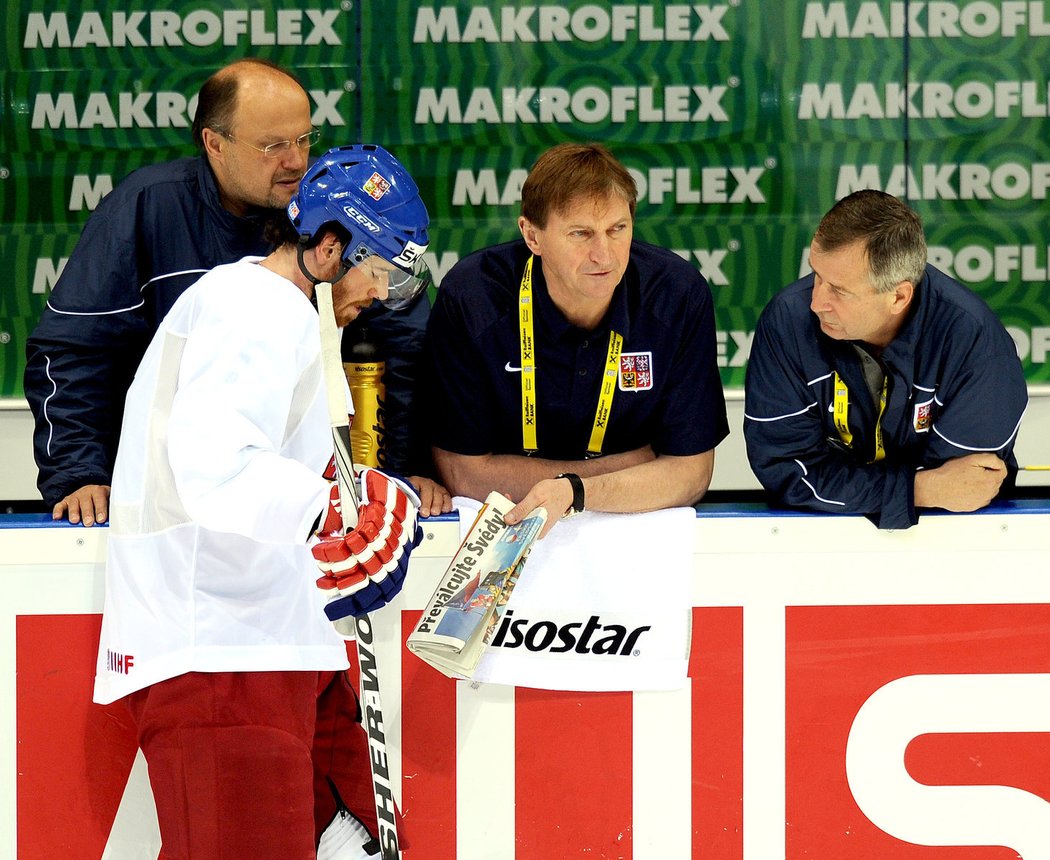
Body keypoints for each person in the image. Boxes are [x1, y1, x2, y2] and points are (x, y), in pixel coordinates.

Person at [92, 144, 430, 859]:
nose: (383, 295)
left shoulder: (281, 314)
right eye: (384, 270)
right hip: (220, 655)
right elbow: (213, 464)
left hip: (265, 646)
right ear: (331, 245)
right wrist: (334, 508)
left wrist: (343, 501)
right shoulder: (253, 309)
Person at [23, 58, 449, 527]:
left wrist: (407, 470)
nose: (296, 161)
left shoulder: (337, 205)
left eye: (305, 139)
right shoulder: (148, 208)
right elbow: (71, 352)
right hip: (166, 505)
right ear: (214, 143)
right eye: (273, 145)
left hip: (306, 505)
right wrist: (80, 472)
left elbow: (405, 349)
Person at [421, 142, 729, 533]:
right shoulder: (473, 296)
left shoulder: (676, 294)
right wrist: (627, 468)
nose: (605, 255)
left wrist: (575, 492)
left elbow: (691, 474)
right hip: (502, 530)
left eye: (617, 229)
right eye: (581, 234)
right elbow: (463, 473)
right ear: (532, 236)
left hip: (631, 537)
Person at [743, 189, 1028, 530]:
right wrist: (919, 489)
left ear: (898, 296)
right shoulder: (787, 323)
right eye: (817, 276)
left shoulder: (974, 341)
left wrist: (873, 488)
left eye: (839, 290)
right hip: (821, 544)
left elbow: (968, 485)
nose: (816, 302)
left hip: (960, 546)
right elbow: (788, 472)